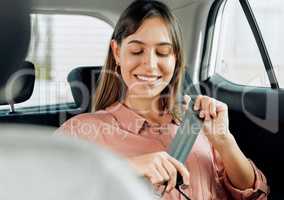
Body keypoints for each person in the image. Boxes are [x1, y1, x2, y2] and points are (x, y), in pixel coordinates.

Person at [56, 0, 269, 199]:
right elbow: (43, 183)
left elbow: (257, 195)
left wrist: (224, 141)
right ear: (117, 52)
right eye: (137, 51)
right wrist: (127, 167)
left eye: (163, 52)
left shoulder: (199, 123)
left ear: (175, 58)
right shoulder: (81, 131)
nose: (150, 64)